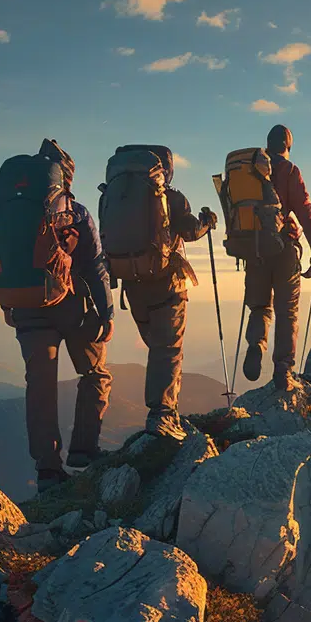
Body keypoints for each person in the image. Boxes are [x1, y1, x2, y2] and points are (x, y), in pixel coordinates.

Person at [0, 139, 114, 492]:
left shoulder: (5, 208)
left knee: (39, 386)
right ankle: (84, 451)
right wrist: (106, 312)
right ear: (65, 177)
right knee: (95, 373)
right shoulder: (76, 212)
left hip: (25, 307)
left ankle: (48, 470)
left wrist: (9, 305)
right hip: (69, 306)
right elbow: (97, 266)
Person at [108, 146, 217, 441]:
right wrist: (208, 221)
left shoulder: (117, 195)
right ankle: (163, 415)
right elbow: (192, 231)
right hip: (167, 285)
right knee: (168, 349)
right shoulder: (172, 198)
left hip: (133, 285)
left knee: (157, 347)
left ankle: (166, 409)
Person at [242, 124, 311, 390]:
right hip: (284, 248)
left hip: (254, 249)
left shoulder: (249, 171)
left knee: (260, 306)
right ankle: (283, 371)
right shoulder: (289, 171)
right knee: (287, 311)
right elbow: (305, 210)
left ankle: (256, 343)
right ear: (288, 145)